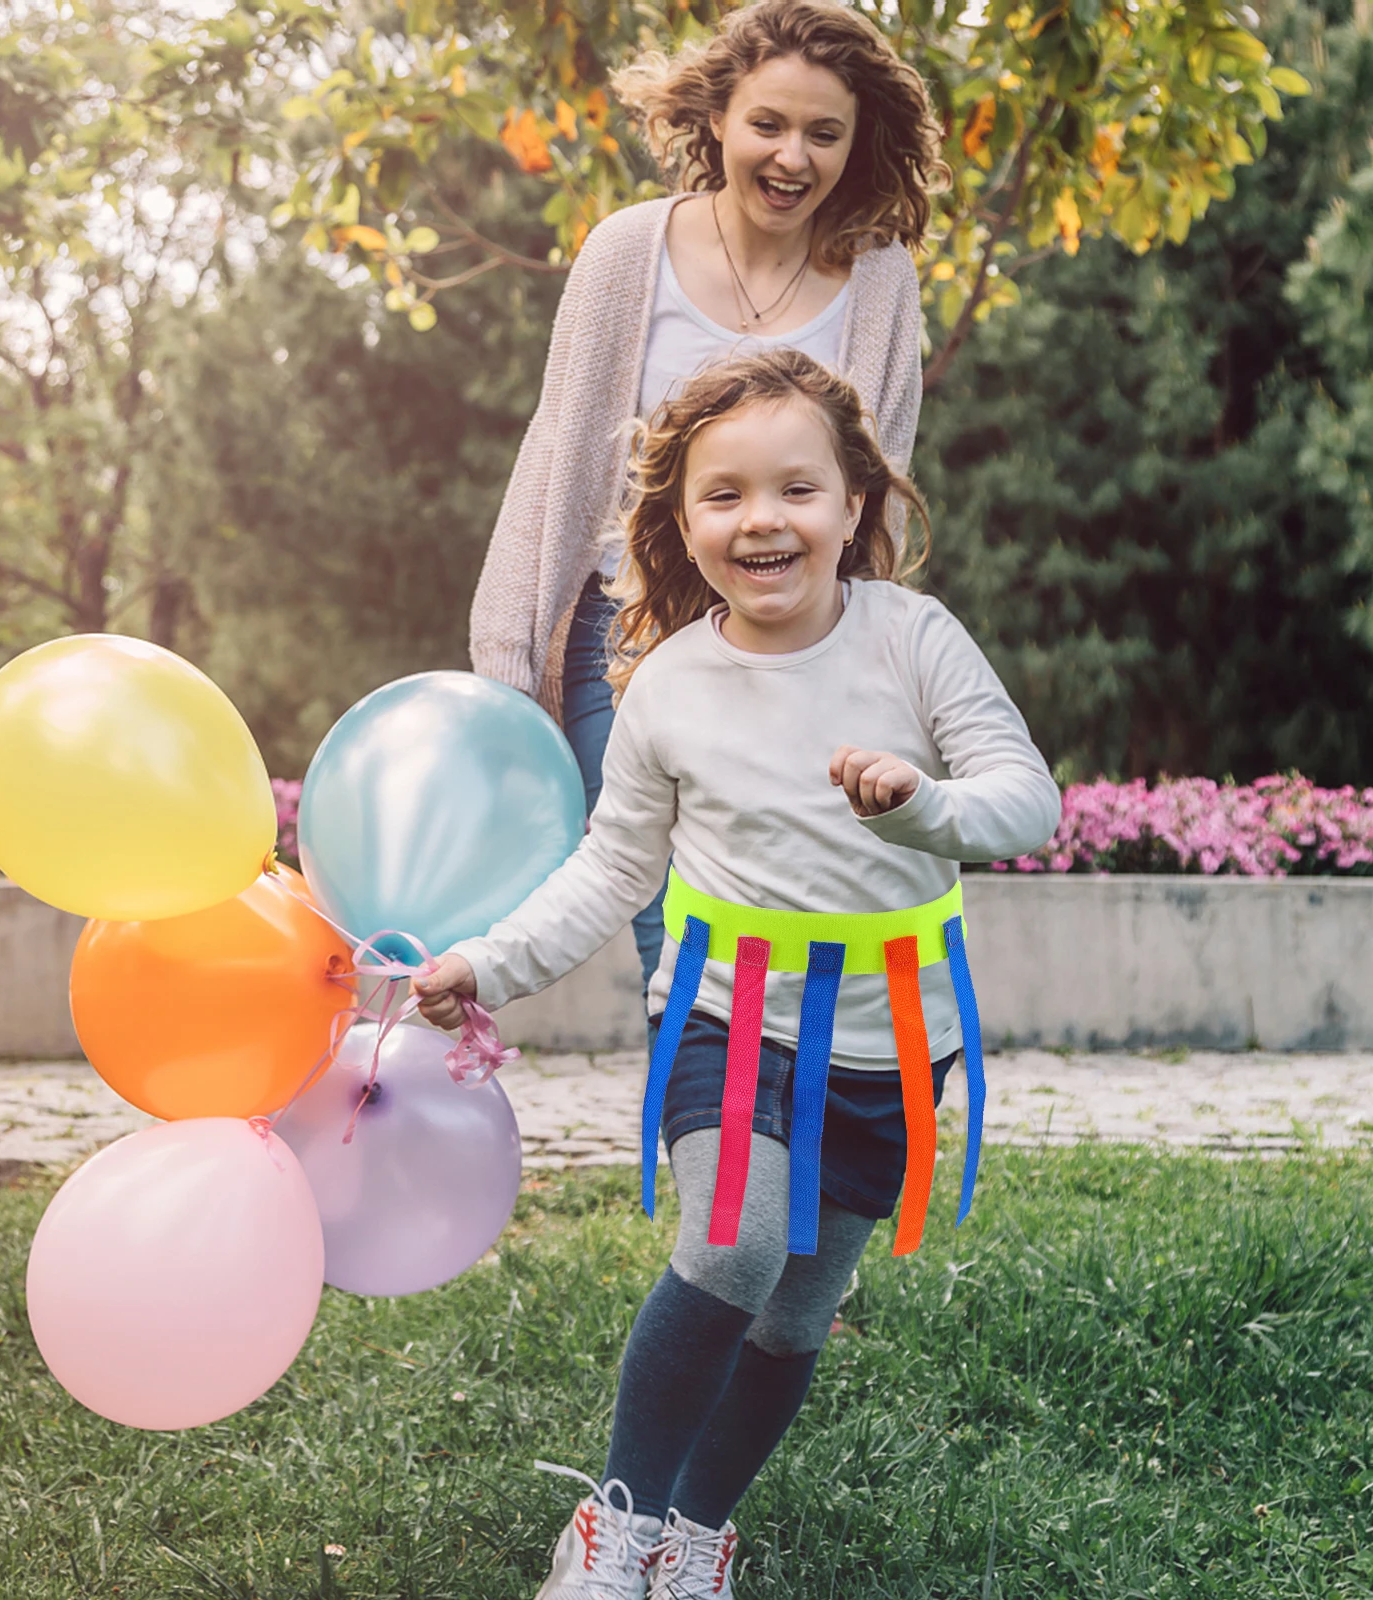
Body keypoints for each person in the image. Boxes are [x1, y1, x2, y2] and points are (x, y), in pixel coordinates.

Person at [419, 350, 1061, 1599]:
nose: (762, 518)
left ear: (855, 503)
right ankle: (615, 1527)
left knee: (795, 1311)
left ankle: (697, 1532)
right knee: (732, 1245)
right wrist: (489, 962)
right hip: (734, 1015)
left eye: (795, 489)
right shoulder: (664, 686)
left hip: (893, 1043)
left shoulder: (913, 637)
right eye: (724, 495)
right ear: (681, 524)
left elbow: (1024, 800)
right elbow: (611, 871)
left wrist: (920, 802)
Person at [468, 0, 945, 1002]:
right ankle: (715, 1150)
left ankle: (795, 1131)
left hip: (800, 650)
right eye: (767, 124)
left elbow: (875, 488)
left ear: (858, 144)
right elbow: (558, 454)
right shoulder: (627, 251)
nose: (791, 157)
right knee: (670, 931)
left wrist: (869, 666)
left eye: (824, 133)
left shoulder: (879, 278)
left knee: (783, 916)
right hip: (630, 640)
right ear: (717, 116)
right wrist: (508, 665)